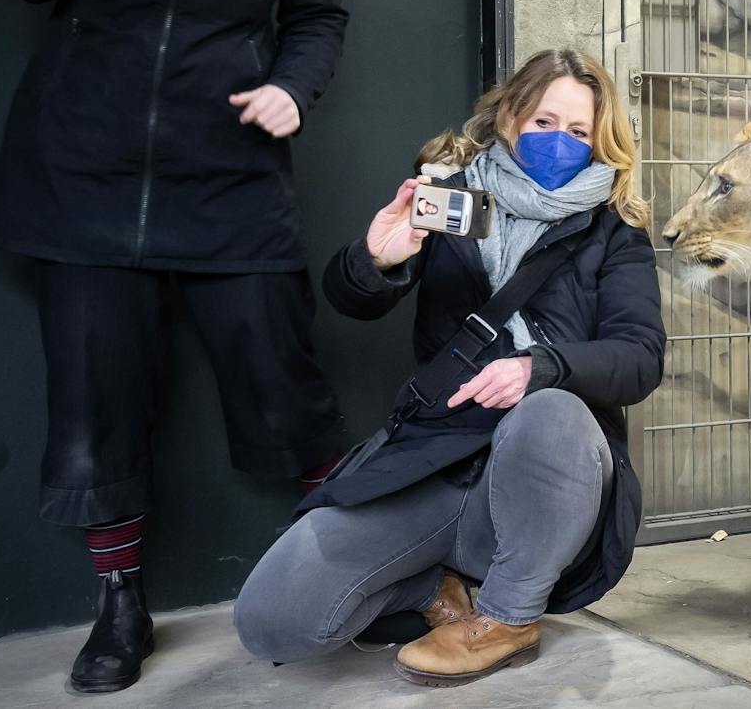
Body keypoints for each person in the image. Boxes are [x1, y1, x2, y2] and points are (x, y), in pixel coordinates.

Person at [0, 0, 347, 693]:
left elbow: (319, 13)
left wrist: (292, 87)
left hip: (226, 174)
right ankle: (119, 605)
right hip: (83, 174)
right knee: (95, 399)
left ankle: (356, 570)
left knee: (282, 381)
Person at [233, 48, 665, 688]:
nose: (559, 142)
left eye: (579, 132)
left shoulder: (614, 232)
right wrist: (378, 259)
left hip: (545, 474)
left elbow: (641, 357)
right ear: (511, 117)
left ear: (601, 141)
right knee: (271, 620)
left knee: (550, 411)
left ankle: (509, 617)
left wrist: (542, 367)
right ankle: (433, 588)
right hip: (435, 456)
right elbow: (351, 301)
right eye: (545, 122)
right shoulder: (449, 194)